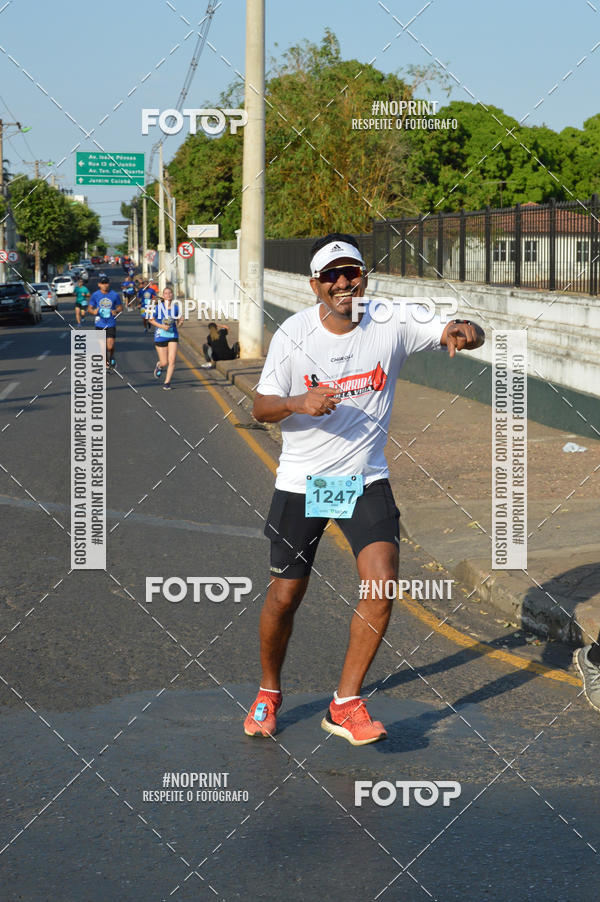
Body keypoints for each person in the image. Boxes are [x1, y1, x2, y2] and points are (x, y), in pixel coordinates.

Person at [244, 233, 485, 745]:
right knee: (285, 596)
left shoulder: (390, 319)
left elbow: (463, 326)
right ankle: (268, 691)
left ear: (363, 276)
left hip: (362, 478)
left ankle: (346, 702)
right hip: (303, 481)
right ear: (314, 285)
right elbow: (259, 408)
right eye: (330, 276)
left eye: (350, 272)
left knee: (381, 583)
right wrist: (297, 403)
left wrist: (464, 331)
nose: (342, 283)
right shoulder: (292, 335)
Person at [148, 285, 183, 390]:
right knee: (164, 362)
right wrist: (162, 326)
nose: (168, 295)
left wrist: (181, 322)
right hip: (160, 336)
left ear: (173, 295)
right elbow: (151, 319)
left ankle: (167, 383)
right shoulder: (159, 307)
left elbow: (179, 320)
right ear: (163, 296)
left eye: (170, 293)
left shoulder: (176, 308)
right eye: (166, 293)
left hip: (173, 335)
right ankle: (159, 366)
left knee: (172, 360)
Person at [88, 275, 123, 370]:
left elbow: (120, 307)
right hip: (99, 324)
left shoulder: (114, 295)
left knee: (110, 347)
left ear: (109, 284)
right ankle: (106, 363)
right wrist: (93, 311)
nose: (105, 285)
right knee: (102, 346)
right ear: (99, 284)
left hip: (111, 323)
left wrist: (116, 311)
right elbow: (90, 308)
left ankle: (112, 355)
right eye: (102, 283)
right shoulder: (95, 295)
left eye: (106, 283)